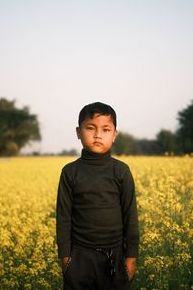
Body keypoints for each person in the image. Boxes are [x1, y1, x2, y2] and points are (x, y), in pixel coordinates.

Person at [56, 102, 139, 290]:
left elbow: (130, 216)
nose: (98, 135)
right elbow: (63, 218)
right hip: (79, 256)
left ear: (114, 134)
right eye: (90, 128)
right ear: (78, 132)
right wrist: (66, 259)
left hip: (116, 256)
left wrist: (131, 258)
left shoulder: (121, 171)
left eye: (106, 129)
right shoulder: (70, 172)